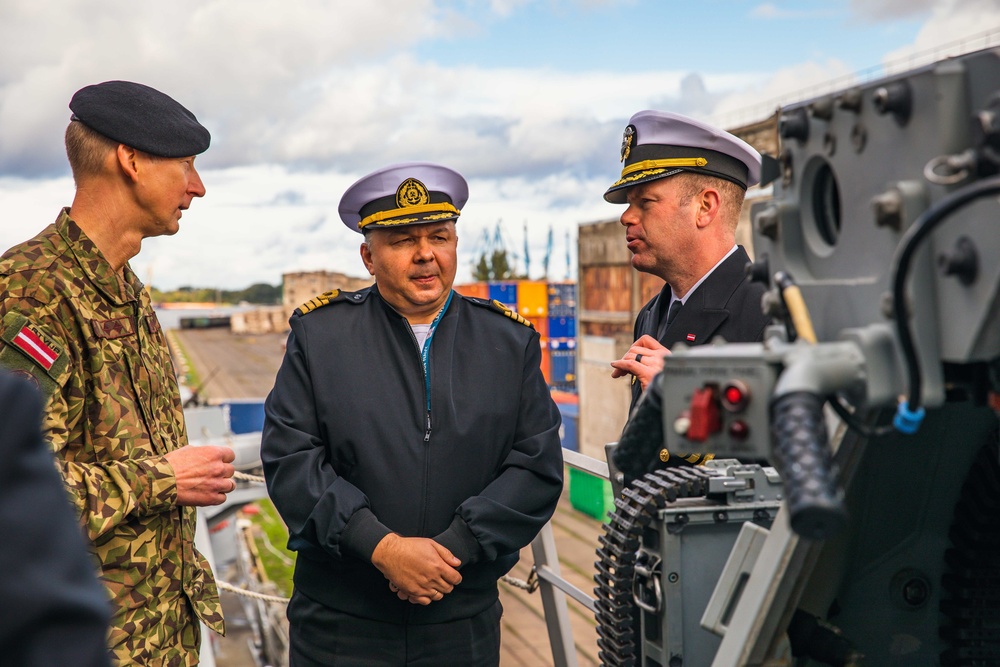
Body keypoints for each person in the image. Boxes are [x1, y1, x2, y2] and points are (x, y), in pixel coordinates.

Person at [261, 162, 564, 666]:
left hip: (459, 622)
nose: (426, 254)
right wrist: (381, 548)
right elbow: (291, 457)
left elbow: (536, 466)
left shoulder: (508, 343)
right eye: (403, 240)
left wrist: (454, 549)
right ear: (368, 256)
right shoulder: (320, 337)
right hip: (340, 624)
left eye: (440, 236)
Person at [0, 80, 236, 666]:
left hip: (161, 637)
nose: (197, 187)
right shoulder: (30, 296)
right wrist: (163, 478)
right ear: (131, 161)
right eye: (186, 165)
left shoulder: (124, 286)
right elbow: (15, 502)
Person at [607, 110, 771, 466]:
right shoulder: (652, 314)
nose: (626, 216)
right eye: (628, 204)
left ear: (705, 207)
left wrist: (685, 396)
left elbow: (794, 464)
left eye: (645, 202)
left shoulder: (771, 311)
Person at [0, 371, 111, 667]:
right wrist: (162, 478)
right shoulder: (10, 402)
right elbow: (49, 493)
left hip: (167, 625)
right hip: (119, 630)